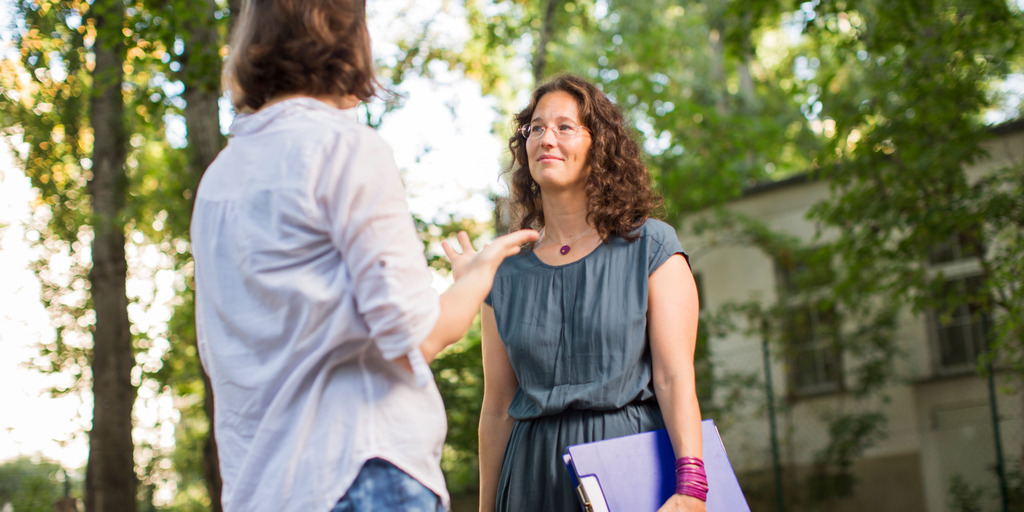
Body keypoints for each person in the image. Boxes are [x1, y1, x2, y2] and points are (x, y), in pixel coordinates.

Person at [189, 1, 538, 511]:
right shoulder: (345, 148)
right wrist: (476, 276)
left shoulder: (218, 179)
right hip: (358, 473)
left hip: (260, 491)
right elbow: (414, 338)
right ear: (347, 38)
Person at [477, 74, 707, 512]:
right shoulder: (504, 272)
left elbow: (674, 379)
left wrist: (692, 487)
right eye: (536, 128)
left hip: (630, 470)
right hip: (529, 480)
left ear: (598, 145)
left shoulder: (651, 247)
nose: (547, 138)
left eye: (565, 126)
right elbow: (497, 407)